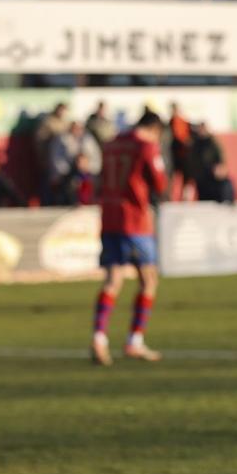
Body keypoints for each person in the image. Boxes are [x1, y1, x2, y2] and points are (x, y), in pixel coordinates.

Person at [89, 110, 168, 366]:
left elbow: (100, 180)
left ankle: (99, 337)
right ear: (155, 129)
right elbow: (159, 182)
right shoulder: (146, 146)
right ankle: (135, 340)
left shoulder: (111, 144)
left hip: (109, 215)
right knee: (149, 280)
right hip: (135, 220)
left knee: (113, 279)